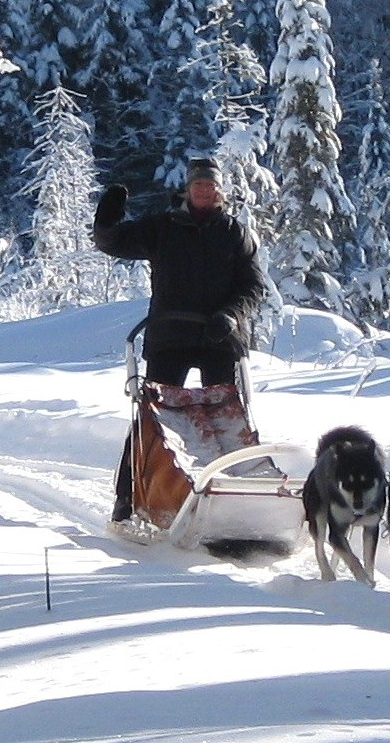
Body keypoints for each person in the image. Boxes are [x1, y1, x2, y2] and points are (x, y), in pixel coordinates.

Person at [93, 157, 265, 521]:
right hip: (169, 337)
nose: (205, 191)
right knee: (153, 417)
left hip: (219, 337)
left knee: (228, 420)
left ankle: (240, 497)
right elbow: (113, 242)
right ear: (188, 190)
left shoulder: (236, 233)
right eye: (199, 185)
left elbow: (253, 286)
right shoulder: (163, 228)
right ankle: (127, 496)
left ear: (221, 192)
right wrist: (107, 219)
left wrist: (232, 315)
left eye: (212, 186)